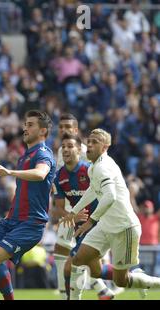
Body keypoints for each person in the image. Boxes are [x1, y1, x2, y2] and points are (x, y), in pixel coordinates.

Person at [61, 129, 160, 300]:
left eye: (95, 142)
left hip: (124, 228)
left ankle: (147, 281)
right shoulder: (93, 168)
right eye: (89, 141)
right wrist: (74, 211)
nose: (90, 145)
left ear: (105, 147)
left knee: (121, 280)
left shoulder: (102, 167)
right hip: (106, 226)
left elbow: (110, 196)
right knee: (78, 260)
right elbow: (93, 191)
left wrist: (90, 221)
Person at [0, 110, 56, 300]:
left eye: (31, 125)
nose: (25, 128)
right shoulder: (24, 156)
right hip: (12, 220)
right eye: (25, 124)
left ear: (43, 131)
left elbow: (40, 174)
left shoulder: (43, 153)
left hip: (30, 223)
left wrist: (10, 172)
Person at [52, 133, 114, 300]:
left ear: (79, 150)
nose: (66, 149)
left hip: (98, 226)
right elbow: (58, 208)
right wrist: (72, 216)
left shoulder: (90, 170)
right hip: (81, 229)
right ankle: (116, 286)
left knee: (68, 268)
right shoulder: (59, 178)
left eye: (70, 146)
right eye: (63, 146)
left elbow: (107, 195)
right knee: (96, 270)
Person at [53, 113, 88, 297]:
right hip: (70, 212)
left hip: (92, 215)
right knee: (62, 250)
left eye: (68, 127)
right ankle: (64, 291)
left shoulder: (88, 157)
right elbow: (60, 183)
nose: (63, 130)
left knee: (78, 259)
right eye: (61, 127)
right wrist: (66, 214)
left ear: (76, 130)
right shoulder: (61, 152)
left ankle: (66, 291)